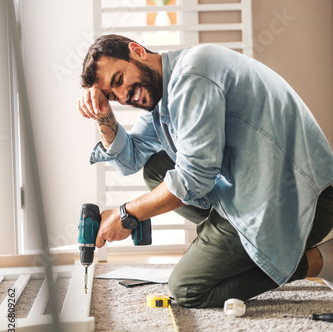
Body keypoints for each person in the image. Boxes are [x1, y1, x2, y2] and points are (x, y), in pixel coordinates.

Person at [77, 34, 333, 308]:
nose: (123, 96)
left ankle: (321, 261)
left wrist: (126, 215)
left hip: (300, 201)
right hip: (255, 191)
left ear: (137, 51)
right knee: (156, 169)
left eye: (118, 81)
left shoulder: (192, 77)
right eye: (112, 95)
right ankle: (224, 249)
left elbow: (193, 179)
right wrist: (103, 114)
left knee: (188, 289)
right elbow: (130, 160)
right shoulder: (163, 93)